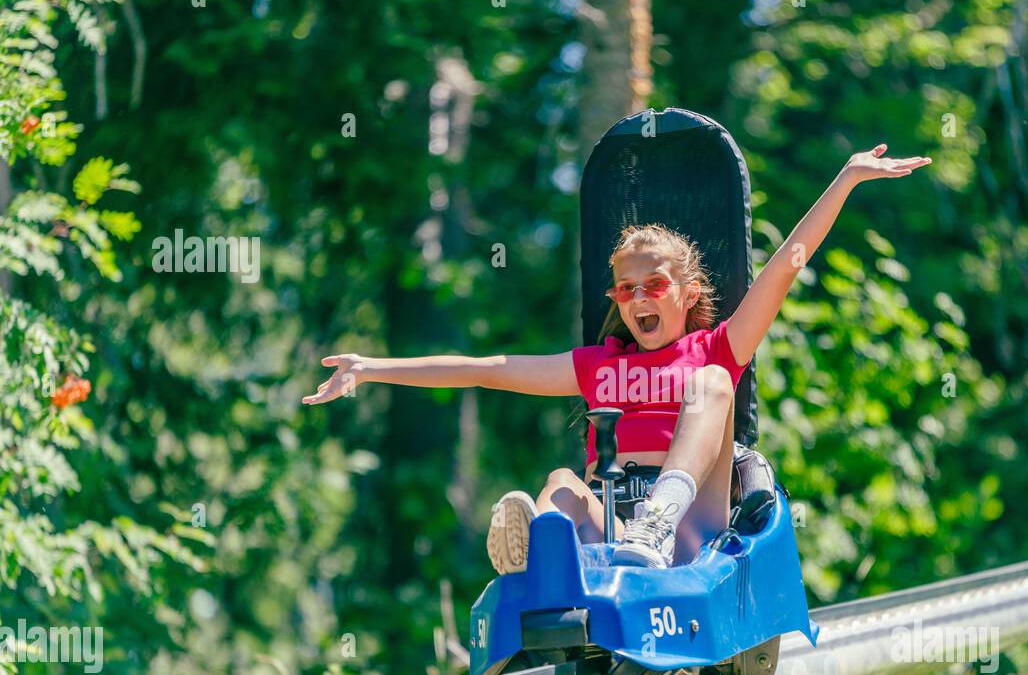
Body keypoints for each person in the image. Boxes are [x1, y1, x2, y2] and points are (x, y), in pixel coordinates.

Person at [303, 144, 931, 572]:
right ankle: (545, 559)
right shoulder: (600, 366)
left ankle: (655, 520)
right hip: (615, 526)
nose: (638, 300)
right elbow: (488, 368)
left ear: (687, 295)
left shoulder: (716, 347)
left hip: (689, 525)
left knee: (713, 385)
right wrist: (372, 367)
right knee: (561, 486)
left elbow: (787, 265)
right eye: (625, 290)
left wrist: (845, 180)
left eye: (654, 286)